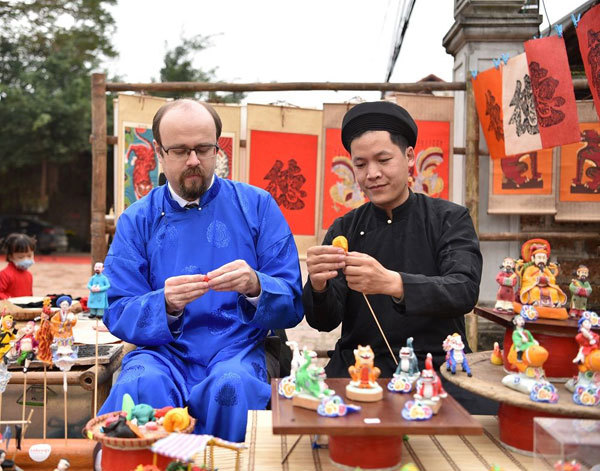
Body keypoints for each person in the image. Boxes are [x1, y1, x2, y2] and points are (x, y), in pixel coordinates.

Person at [99, 99, 303, 442]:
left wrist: (256, 285)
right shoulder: (137, 220)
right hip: (163, 352)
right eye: (180, 150)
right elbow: (116, 306)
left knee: (232, 386)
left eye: (203, 149)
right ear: (159, 153)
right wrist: (164, 304)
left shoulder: (256, 206)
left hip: (237, 349)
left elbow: (293, 299)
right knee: (140, 383)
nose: (194, 160)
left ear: (217, 149)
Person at [303, 101, 488, 412]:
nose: (372, 174)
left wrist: (393, 283)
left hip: (437, 364)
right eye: (360, 164)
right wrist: (318, 286)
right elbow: (324, 321)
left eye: (383, 160)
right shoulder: (345, 228)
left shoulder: (449, 219)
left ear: (410, 156)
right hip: (360, 367)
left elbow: (463, 290)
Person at [517, 238, 567, 308]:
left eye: (544, 258)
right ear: (533, 259)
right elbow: (526, 278)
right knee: (534, 291)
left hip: (546, 286)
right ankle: (534, 302)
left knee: (553, 291)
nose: (542, 260)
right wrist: (536, 279)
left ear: (546, 260)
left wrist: (547, 279)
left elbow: (552, 278)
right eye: (539, 258)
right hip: (534, 286)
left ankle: (554, 303)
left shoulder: (546, 269)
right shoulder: (530, 269)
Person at [0, 233, 36, 300]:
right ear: (10, 257)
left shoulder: (29, 275)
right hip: (9, 308)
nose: (26, 259)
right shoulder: (4, 274)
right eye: (21, 257)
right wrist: (10, 301)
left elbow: (30, 295)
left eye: (29, 256)